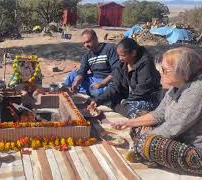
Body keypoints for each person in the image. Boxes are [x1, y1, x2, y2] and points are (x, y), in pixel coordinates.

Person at [111, 47, 202, 175]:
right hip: (179, 137)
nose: (161, 73)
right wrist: (129, 123)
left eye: (165, 70)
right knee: (138, 118)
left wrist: (143, 138)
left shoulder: (197, 90)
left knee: (147, 144)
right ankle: (147, 151)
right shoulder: (176, 86)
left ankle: (146, 152)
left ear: (182, 71)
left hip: (195, 149)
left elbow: (172, 128)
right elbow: (159, 114)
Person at [88, 38, 161, 118]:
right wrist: (98, 100)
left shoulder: (146, 64)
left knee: (131, 108)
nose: (120, 58)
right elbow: (115, 86)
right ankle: (122, 107)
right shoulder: (122, 64)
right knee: (106, 97)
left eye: (123, 55)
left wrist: (126, 101)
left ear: (133, 53)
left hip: (147, 98)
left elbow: (143, 90)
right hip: (130, 96)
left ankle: (142, 116)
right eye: (119, 55)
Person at [64, 29, 120, 97]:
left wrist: (102, 83)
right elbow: (82, 72)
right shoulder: (87, 55)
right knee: (73, 74)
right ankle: (70, 89)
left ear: (96, 39)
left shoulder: (109, 49)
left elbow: (117, 70)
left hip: (106, 80)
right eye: (84, 43)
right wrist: (76, 82)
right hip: (93, 79)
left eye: (88, 42)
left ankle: (87, 91)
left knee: (99, 91)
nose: (86, 45)